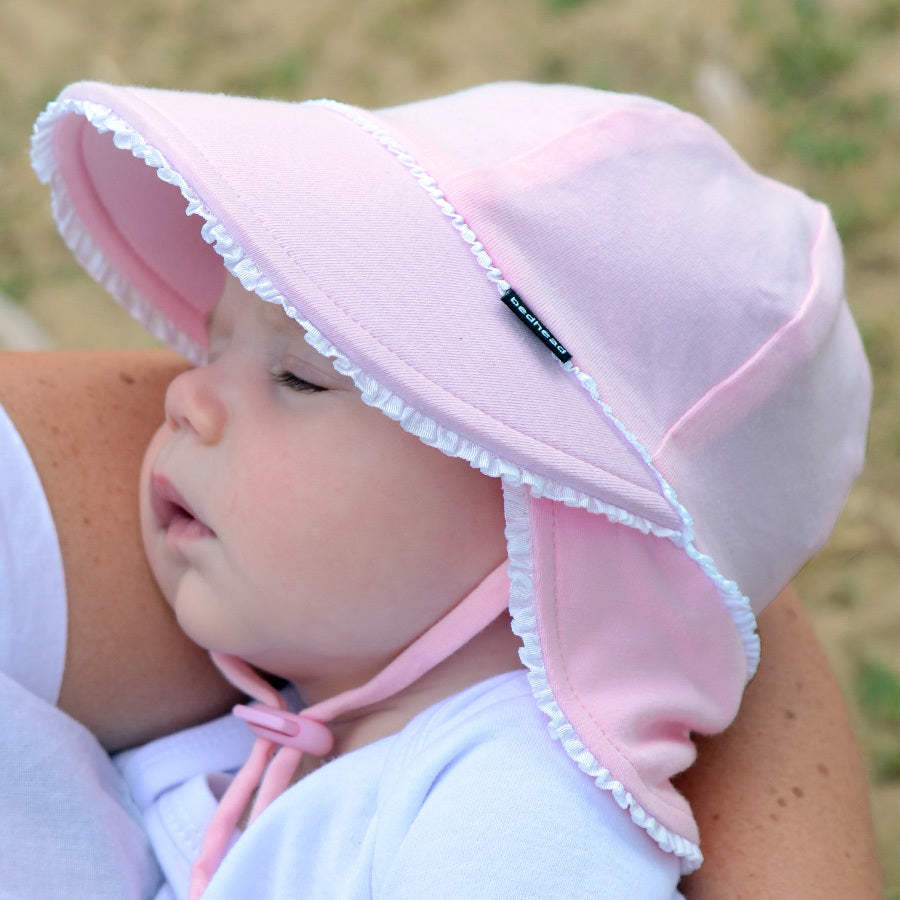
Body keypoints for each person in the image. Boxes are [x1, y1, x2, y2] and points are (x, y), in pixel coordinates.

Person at [1, 79, 877, 898]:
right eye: (211, 349)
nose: (183, 397)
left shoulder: (513, 820)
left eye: (300, 376)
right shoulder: (267, 744)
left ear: (550, 517)